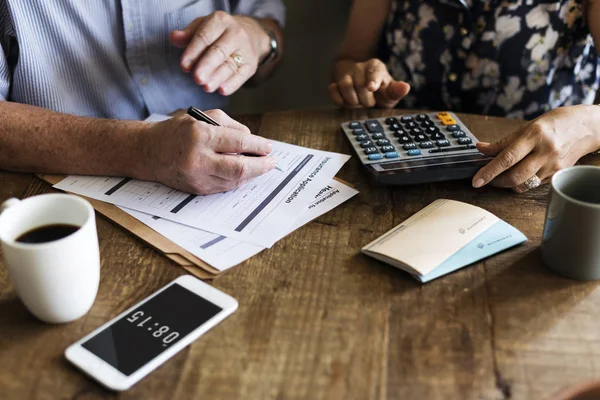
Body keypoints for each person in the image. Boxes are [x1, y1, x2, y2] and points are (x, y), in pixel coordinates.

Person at [0, 1, 285, 194]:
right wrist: (142, 149)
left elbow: (271, 32)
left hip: (216, 186)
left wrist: (258, 37)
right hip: (61, 200)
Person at [329, 0, 600, 192]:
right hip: (396, 173)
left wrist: (586, 125)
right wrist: (366, 83)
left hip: (531, 182)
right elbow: (351, 60)